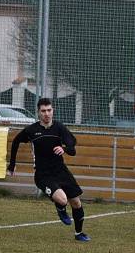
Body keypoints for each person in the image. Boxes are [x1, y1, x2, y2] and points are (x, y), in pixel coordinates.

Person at [7, 98, 90, 242]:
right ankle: (60, 208)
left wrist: (63, 148)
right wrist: (12, 164)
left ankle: (79, 233)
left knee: (76, 203)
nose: (47, 114)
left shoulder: (59, 128)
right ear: (38, 113)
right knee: (63, 200)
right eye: (43, 111)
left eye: (49, 110)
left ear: (53, 111)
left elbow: (72, 148)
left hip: (61, 171)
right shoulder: (32, 130)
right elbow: (16, 141)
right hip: (43, 175)